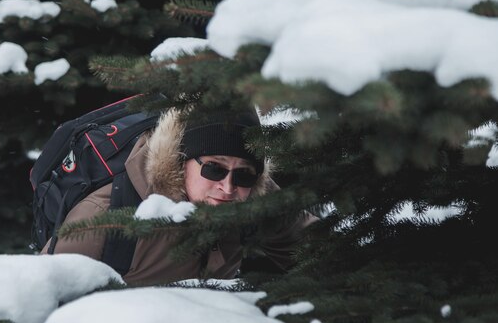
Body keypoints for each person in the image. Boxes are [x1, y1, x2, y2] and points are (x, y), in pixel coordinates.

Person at [41, 107, 317, 284]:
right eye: (214, 169)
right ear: (180, 161)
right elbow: (42, 308)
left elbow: (322, 250)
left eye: (244, 174)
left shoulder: (252, 195)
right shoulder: (103, 216)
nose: (229, 187)